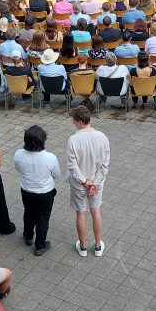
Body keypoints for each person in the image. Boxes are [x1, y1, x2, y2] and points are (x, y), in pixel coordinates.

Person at [66, 106, 109, 258]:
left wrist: (85, 182)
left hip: (79, 184)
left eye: (73, 121)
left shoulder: (73, 139)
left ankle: (83, 247)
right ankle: (98, 246)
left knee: (81, 214)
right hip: (97, 183)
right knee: (96, 211)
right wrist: (95, 183)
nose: (73, 124)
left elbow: (72, 166)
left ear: (79, 121)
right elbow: (104, 165)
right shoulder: (103, 137)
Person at [12, 125, 60, 257]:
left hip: (27, 191)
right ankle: (40, 246)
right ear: (42, 141)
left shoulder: (18, 154)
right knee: (43, 219)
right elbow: (57, 174)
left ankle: (28, 236)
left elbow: (17, 168)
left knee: (28, 213)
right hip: (45, 193)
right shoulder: (50, 157)